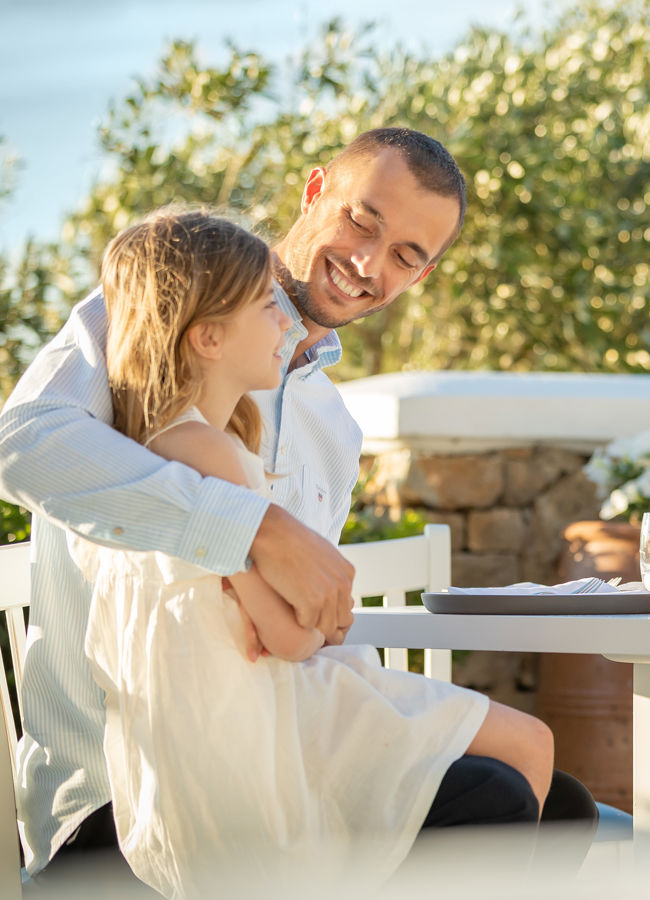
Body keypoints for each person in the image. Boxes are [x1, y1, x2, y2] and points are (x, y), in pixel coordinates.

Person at [0, 127, 594, 883]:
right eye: (362, 221)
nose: (368, 263)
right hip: (132, 799)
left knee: (560, 800)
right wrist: (251, 528)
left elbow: (291, 630)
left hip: (273, 757)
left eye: (407, 256)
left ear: (425, 273)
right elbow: (20, 444)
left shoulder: (333, 430)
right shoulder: (162, 304)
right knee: (497, 802)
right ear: (315, 192)